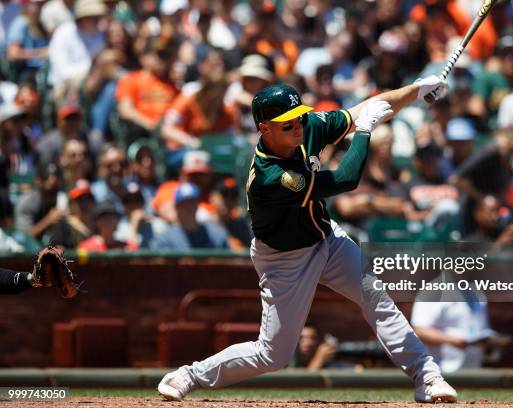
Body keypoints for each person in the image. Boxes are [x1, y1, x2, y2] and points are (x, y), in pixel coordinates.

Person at [158, 77, 458, 403]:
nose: (298, 126)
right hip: (284, 257)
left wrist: (415, 91)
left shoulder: (304, 126)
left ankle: (427, 377)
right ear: (265, 128)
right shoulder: (271, 176)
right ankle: (189, 375)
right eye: (287, 124)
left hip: (325, 238)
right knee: (273, 354)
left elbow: (367, 109)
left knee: (377, 298)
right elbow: (345, 179)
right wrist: (365, 132)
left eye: (299, 117)